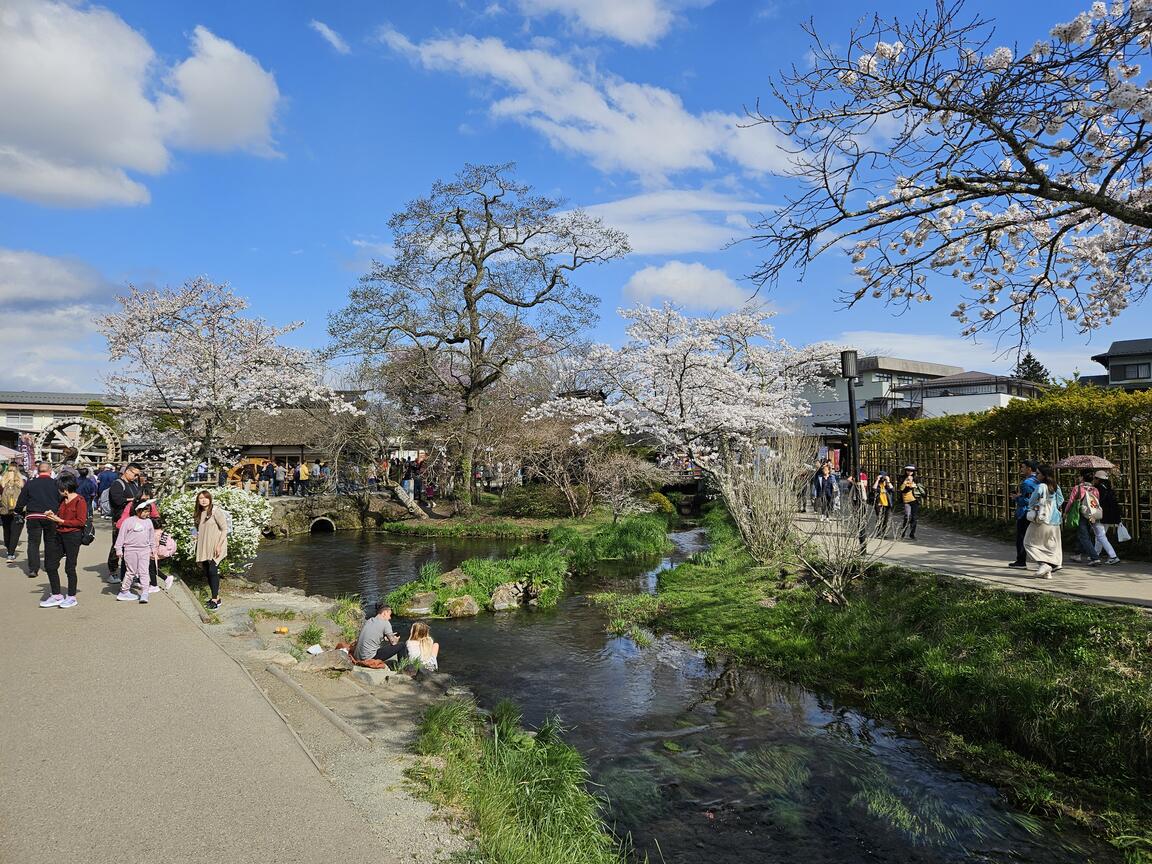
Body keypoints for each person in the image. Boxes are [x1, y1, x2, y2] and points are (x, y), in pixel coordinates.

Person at [38, 475, 87, 608]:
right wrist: (52, 515)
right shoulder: (62, 500)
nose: (58, 491)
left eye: (60, 489)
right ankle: (56, 595)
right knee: (50, 565)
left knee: (70, 567)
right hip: (59, 534)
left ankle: (71, 596)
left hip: (73, 536)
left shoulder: (80, 501)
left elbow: (81, 522)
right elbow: (60, 515)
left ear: (65, 489)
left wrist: (61, 521)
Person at [16, 462, 61, 580]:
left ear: (38, 471)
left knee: (33, 543)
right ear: (50, 471)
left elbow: (21, 501)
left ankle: (33, 569)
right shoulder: (56, 483)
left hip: (33, 515)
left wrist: (18, 511)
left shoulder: (30, 484)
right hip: (51, 515)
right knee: (50, 541)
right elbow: (61, 499)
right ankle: (49, 565)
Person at [1023, 463, 1064, 578]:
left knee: (1028, 543)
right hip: (1055, 521)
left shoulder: (1041, 486)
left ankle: (1043, 564)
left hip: (1042, 519)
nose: (1036, 475)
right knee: (1049, 545)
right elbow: (1061, 500)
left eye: (1038, 473)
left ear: (1044, 475)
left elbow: (1031, 501)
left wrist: (1036, 506)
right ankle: (1048, 572)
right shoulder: (1056, 486)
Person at [106, 463, 143, 583]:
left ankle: (130, 572)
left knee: (131, 546)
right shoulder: (118, 484)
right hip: (120, 519)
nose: (136, 477)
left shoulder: (133, 484)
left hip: (133, 519)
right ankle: (113, 571)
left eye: (137, 475)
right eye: (135, 474)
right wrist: (132, 500)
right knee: (117, 545)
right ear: (127, 471)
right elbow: (117, 500)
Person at [114, 500, 157, 603]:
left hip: (145, 550)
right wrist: (119, 549)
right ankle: (124, 591)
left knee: (144, 571)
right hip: (130, 550)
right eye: (144, 511)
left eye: (148, 511)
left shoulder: (149, 522)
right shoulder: (128, 521)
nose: (147, 514)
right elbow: (121, 536)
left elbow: (151, 537)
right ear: (138, 510)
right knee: (131, 571)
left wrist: (153, 549)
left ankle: (145, 593)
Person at [193, 490, 229, 611]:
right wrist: (194, 535)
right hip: (204, 545)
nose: (203, 500)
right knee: (207, 570)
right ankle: (216, 597)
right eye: (201, 498)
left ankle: (215, 599)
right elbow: (195, 528)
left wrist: (219, 545)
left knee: (213, 570)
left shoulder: (215, 511)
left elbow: (224, 529)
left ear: (210, 499)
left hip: (216, 545)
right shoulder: (199, 513)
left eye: (206, 498)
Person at [1065, 468, 1103, 567]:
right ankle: (1077, 554)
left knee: (1084, 536)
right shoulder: (1095, 489)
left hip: (1081, 514)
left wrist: (1066, 512)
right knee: (1083, 533)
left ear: (1082, 477)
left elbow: (1071, 501)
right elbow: (1096, 502)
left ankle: (1095, 558)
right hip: (1092, 514)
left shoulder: (1077, 488)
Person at [1008, 460, 1039, 569]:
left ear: (1029, 468)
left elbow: (1027, 500)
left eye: (1023, 467)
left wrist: (1017, 498)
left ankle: (1021, 561)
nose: (1021, 469)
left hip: (1025, 512)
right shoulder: (1040, 481)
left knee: (1021, 537)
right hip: (1040, 512)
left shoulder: (1027, 483)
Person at [1091, 470, 1121, 565]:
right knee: (1100, 536)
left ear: (1098, 479)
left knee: (1100, 536)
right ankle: (1096, 554)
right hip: (1109, 516)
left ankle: (1113, 556)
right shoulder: (1109, 488)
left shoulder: (1098, 489)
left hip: (1100, 515)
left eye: (1095, 478)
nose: (1093, 480)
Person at [0, 463, 25, 563]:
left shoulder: (2, 482)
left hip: (4, 510)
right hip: (18, 510)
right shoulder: (22, 482)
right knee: (15, 532)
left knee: (7, 530)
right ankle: (11, 553)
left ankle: (8, 549)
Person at [898, 466, 925, 540]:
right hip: (906, 500)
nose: (909, 472)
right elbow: (901, 489)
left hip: (915, 500)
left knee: (914, 518)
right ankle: (902, 533)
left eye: (911, 471)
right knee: (907, 516)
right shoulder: (902, 478)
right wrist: (906, 481)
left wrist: (915, 486)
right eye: (908, 470)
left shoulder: (916, 479)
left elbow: (921, 488)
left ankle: (912, 534)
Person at [872, 472, 896, 538]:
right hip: (879, 504)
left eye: (884, 477)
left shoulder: (887, 485)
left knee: (886, 519)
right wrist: (877, 480)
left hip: (887, 504)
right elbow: (874, 489)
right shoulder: (877, 484)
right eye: (882, 477)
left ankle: (883, 533)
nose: (883, 479)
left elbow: (892, 490)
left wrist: (888, 481)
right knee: (879, 518)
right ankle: (878, 533)